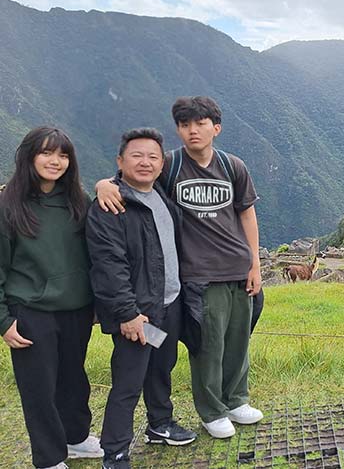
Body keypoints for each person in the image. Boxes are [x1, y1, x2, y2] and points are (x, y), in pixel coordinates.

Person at [96, 97, 263, 439]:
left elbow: (247, 213)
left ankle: (235, 399)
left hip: (237, 268)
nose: (192, 130)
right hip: (198, 275)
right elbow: (133, 177)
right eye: (185, 125)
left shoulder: (233, 166)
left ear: (215, 128)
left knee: (237, 342)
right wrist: (104, 183)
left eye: (200, 123)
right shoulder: (169, 165)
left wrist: (254, 262)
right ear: (178, 130)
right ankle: (212, 410)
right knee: (207, 345)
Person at [87, 129, 196, 469]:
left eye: (153, 157)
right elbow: (108, 266)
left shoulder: (159, 195)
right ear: (120, 161)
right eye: (136, 155)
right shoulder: (111, 205)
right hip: (139, 314)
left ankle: (159, 425)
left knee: (161, 368)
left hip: (168, 305)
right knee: (129, 380)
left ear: (161, 164)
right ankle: (115, 451)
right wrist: (128, 314)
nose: (145, 162)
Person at [0, 127, 103, 469]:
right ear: (29, 156)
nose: (54, 161)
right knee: (39, 389)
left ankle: (75, 438)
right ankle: (48, 457)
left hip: (76, 309)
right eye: (46, 153)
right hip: (31, 311)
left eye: (62, 155)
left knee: (74, 378)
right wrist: (3, 320)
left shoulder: (78, 201)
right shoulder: (8, 206)